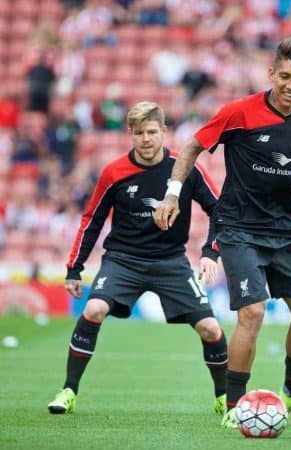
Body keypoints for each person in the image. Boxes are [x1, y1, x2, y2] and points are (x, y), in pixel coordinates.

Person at [154, 37, 291, 428]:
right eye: (285, 76)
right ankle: (234, 407)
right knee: (253, 312)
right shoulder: (239, 112)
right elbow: (192, 148)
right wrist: (173, 194)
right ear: (271, 74)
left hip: (283, 233)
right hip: (239, 229)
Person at [47, 101, 228, 416]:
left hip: (171, 262)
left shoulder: (185, 168)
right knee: (93, 308)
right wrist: (74, 269)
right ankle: (68, 391)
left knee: (212, 329)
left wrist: (210, 252)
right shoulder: (114, 172)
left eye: (152, 132)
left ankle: (225, 399)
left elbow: (220, 211)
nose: (146, 139)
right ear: (130, 134)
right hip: (123, 260)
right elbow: (91, 220)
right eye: (140, 133)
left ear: (163, 132)